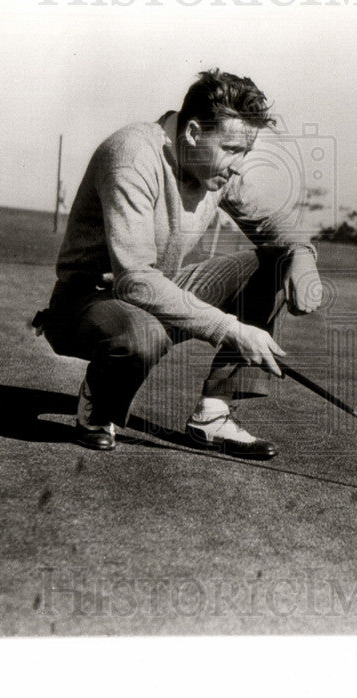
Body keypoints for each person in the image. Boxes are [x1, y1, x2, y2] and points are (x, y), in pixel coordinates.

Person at [32, 69, 322, 459]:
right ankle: (98, 407)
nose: (238, 165)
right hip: (88, 302)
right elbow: (133, 280)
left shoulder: (213, 165)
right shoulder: (131, 156)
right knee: (142, 333)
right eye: (233, 149)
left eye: (245, 153)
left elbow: (272, 224)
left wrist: (301, 255)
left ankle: (213, 416)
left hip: (156, 290)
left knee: (274, 261)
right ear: (192, 134)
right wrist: (230, 328)